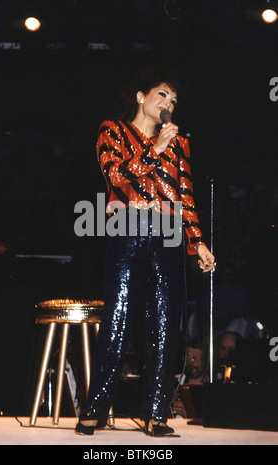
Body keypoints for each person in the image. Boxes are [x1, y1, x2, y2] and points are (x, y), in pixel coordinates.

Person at [75, 70, 215, 436]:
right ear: (141, 96)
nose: (168, 104)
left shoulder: (179, 144)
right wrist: (154, 150)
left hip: (167, 231)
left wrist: (196, 241)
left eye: (173, 100)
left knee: (166, 322)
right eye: (162, 95)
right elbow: (115, 175)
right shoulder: (114, 130)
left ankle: (156, 412)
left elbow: (184, 195)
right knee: (119, 316)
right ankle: (95, 408)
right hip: (128, 226)